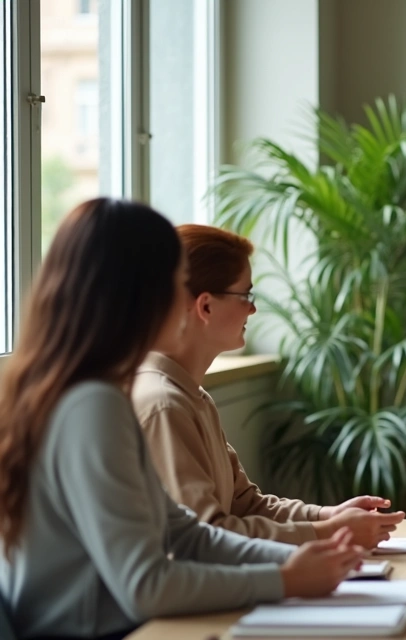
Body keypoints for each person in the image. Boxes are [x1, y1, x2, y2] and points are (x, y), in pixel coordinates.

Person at [0, 199, 363, 639]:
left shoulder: (95, 393)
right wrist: (286, 580)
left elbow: (188, 535)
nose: (186, 300)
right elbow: (145, 585)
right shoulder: (91, 405)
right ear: (140, 295)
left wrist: (299, 558)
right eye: (175, 284)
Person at [131, 224, 404, 548]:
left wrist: (327, 516)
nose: (253, 308)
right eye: (245, 295)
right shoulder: (164, 405)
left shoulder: (192, 396)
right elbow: (205, 537)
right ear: (205, 306)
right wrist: (328, 533)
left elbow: (245, 504)